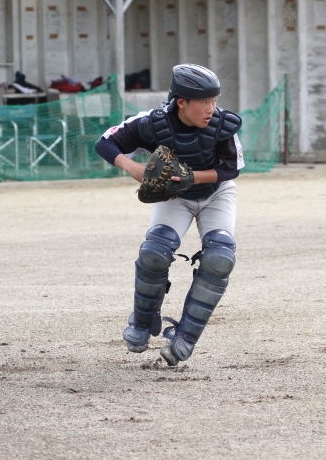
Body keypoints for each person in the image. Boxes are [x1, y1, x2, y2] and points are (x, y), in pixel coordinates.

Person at [94, 64, 244, 366]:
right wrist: (132, 166)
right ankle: (142, 321)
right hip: (175, 197)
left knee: (220, 258)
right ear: (182, 102)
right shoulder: (152, 123)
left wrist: (192, 177)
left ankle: (185, 337)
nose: (211, 108)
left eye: (214, 100)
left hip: (216, 194)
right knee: (154, 253)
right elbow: (105, 143)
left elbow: (231, 169)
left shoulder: (221, 125)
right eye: (204, 101)